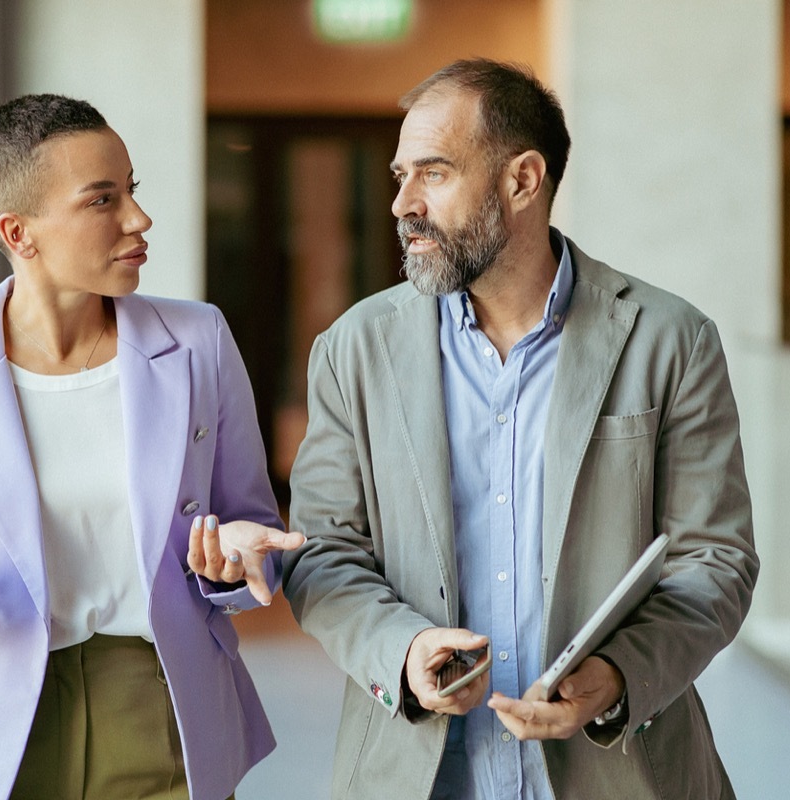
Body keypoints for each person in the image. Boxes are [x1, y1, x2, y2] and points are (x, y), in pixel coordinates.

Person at [280, 59, 760, 799]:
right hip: (417, 776)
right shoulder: (354, 348)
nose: (403, 202)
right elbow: (323, 553)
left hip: (624, 773)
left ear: (523, 180)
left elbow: (714, 562)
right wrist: (401, 650)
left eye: (433, 174)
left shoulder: (671, 339)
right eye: (399, 176)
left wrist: (618, 676)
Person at [0, 93, 303, 800]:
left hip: (164, 709)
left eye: (134, 192)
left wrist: (233, 562)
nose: (139, 219)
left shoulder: (199, 340)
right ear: (18, 232)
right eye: (103, 200)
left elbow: (250, 525)